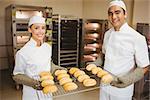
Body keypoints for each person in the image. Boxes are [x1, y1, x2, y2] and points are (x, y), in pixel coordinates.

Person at [86, 0, 149, 100]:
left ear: (125, 14)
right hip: (105, 85)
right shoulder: (107, 34)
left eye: (117, 12)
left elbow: (145, 66)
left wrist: (128, 80)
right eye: (110, 14)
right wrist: (96, 63)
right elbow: (104, 54)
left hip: (122, 91)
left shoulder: (137, 37)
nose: (113, 17)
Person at [12, 15, 65, 100]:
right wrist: (34, 83)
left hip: (48, 89)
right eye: (36, 28)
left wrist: (59, 70)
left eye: (43, 28)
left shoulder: (47, 47)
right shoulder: (22, 52)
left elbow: (48, 64)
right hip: (32, 93)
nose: (40, 32)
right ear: (30, 29)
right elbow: (17, 75)